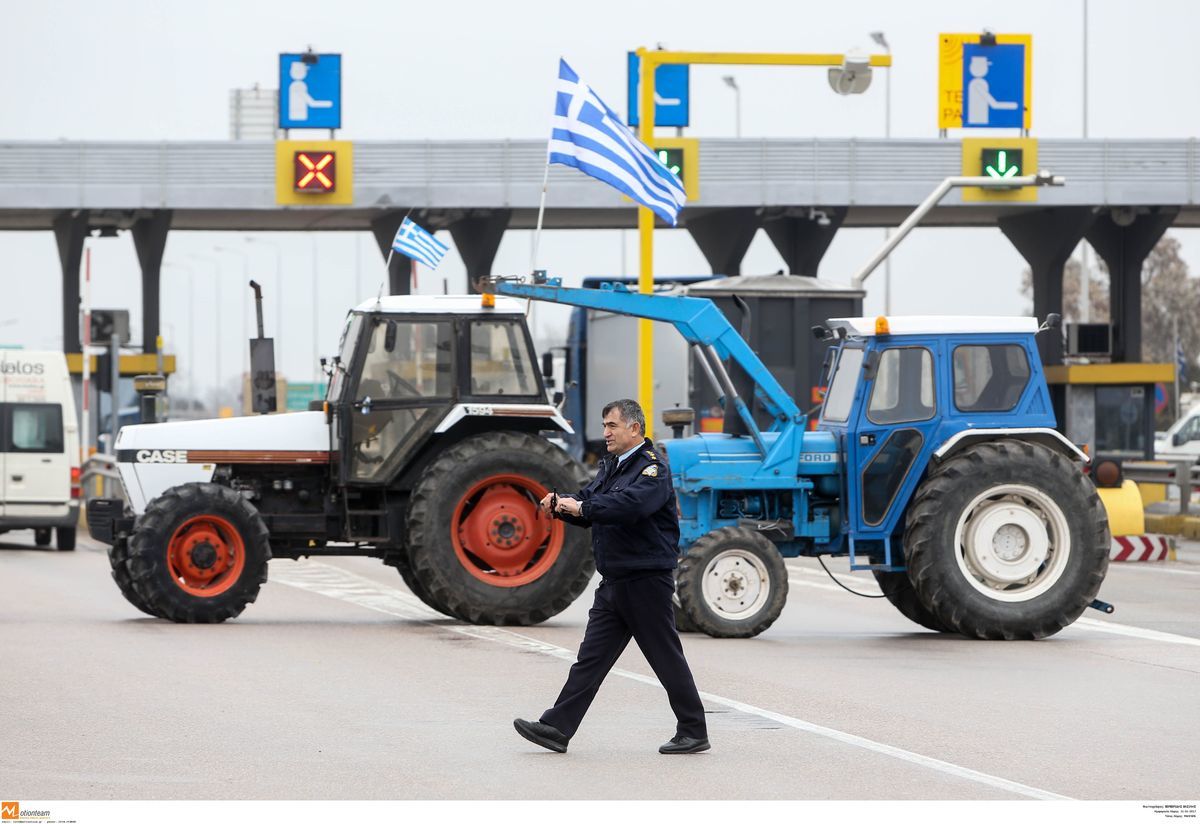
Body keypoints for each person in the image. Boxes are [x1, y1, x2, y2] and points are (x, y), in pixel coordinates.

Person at [513, 399, 709, 755]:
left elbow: (630, 507)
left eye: (612, 426)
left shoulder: (652, 470)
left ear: (635, 429)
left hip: (645, 580)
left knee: (665, 657)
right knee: (590, 659)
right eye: (605, 425)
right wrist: (560, 505)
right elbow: (587, 502)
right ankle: (556, 728)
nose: (605, 433)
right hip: (615, 581)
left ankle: (693, 730)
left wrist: (584, 507)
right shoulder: (613, 467)